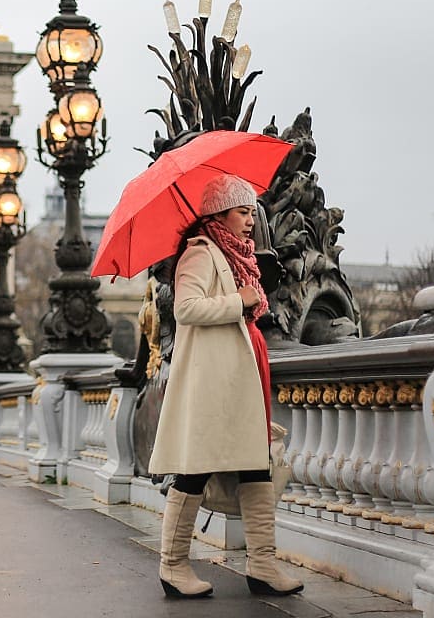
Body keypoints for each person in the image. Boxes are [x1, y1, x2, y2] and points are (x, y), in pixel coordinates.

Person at [148, 173, 303, 599]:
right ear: (219, 214)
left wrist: (246, 297)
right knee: (196, 470)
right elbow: (186, 308)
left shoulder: (235, 256)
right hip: (213, 381)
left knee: (256, 465)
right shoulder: (200, 253)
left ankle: (263, 565)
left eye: (252, 212)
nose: (251, 220)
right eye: (242, 212)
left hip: (239, 376)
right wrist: (242, 301)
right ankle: (173, 565)